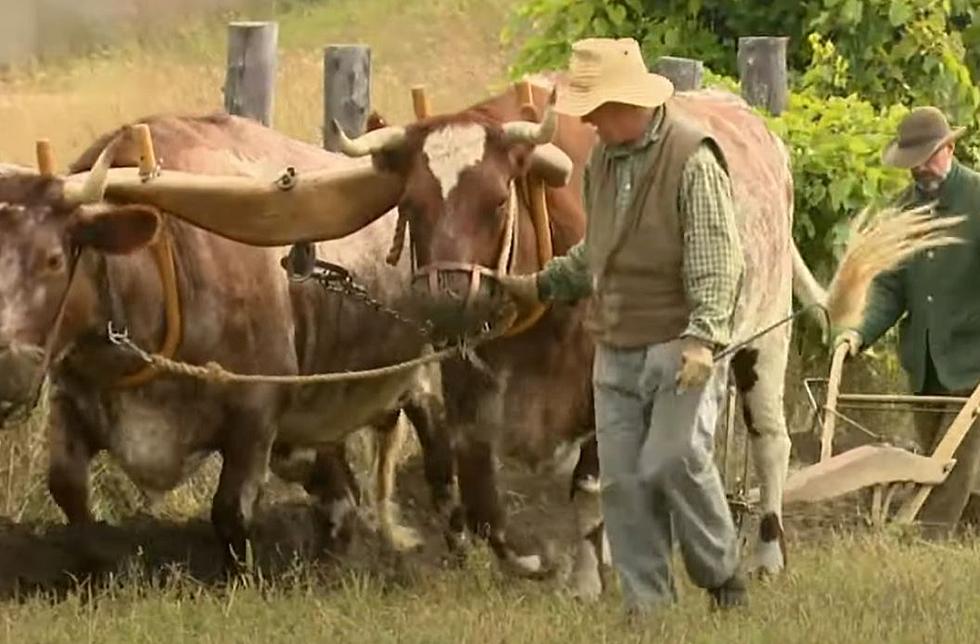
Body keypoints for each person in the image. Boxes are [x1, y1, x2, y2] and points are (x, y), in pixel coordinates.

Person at [499, 37, 746, 613]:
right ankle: (647, 605)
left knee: (672, 459)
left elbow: (717, 256)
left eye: (597, 112)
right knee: (621, 484)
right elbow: (597, 252)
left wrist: (705, 337)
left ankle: (722, 571)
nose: (590, 124)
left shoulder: (692, 156)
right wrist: (539, 285)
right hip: (614, 344)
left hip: (677, 343)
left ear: (626, 103)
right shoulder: (607, 161)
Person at [834, 106, 980, 535]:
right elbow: (889, 288)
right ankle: (965, 535)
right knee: (931, 459)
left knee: (948, 463)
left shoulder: (977, 198)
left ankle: (924, 543)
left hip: (971, 359)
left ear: (949, 148)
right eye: (913, 163)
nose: (920, 169)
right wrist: (857, 333)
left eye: (928, 158)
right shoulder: (902, 211)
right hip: (924, 361)